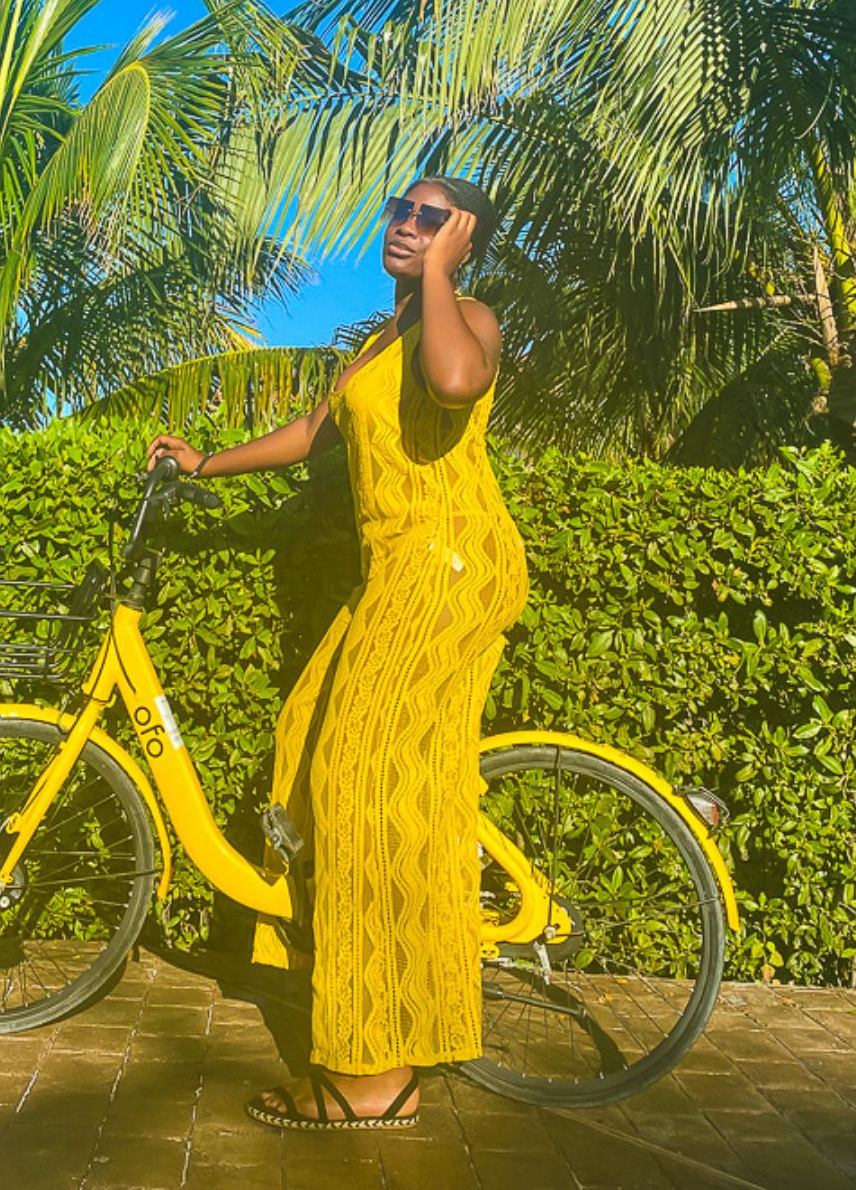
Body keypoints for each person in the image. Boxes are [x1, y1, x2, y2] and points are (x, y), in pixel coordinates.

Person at [144, 176, 529, 1130]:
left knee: (364, 785)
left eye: (433, 218)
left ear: (467, 238)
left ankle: (374, 1072)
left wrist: (442, 272)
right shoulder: (379, 341)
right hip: (396, 573)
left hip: (448, 570)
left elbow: (455, 383)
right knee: (308, 744)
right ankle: (340, 968)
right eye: (403, 213)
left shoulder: (465, 313)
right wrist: (205, 464)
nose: (408, 226)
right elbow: (317, 431)